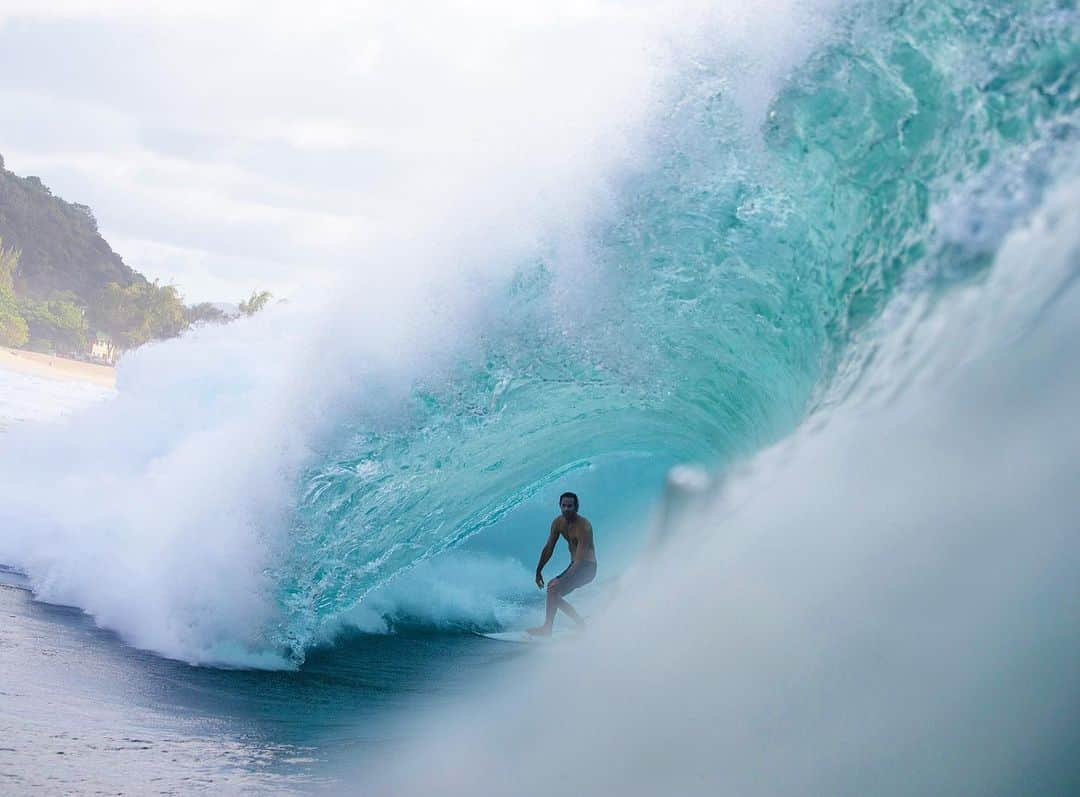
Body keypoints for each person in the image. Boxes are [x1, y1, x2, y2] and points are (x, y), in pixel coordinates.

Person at [528, 491, 597, 636]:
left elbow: (579, 561)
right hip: (576, 566)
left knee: (553, 588)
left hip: (587, 568)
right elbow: (548, 548)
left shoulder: (584, 526)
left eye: (570, 506)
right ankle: (578, 624)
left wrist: (560, 579)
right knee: (553, 593)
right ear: (559, 506)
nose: (566, 509)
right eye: (563, 505)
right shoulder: (558, 523)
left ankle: (555, 627)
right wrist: (538, 570)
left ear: (576, 507)